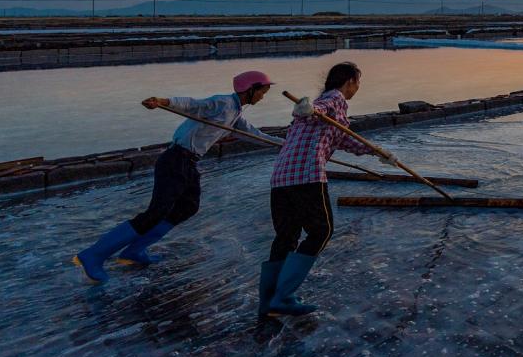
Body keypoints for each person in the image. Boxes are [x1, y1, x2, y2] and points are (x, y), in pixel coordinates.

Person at [73, 71, 282, 283]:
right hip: (176, 159)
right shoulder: (224, 103)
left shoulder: (235, 114)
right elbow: (193, 105)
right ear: (250, 89)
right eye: (262, 92)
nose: (262, 97)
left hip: (189, 163)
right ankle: (93, 255)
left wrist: (284, 145)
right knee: (155, 213)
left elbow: (254, 134)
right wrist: (162, 101)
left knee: (187, 207)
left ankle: (134, 251)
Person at [260, 62, 390, 316]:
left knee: (286, 237)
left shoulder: (329, 113)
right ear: (350, 81)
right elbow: (315, 109)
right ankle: (283, 296)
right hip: (306, 176)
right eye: (357, 82)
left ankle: (269, 300)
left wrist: (379, 153)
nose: (357, 88)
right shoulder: (332, 100)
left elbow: (346, 139)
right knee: (321, 230)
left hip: (281, 178)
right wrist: (307, 108)